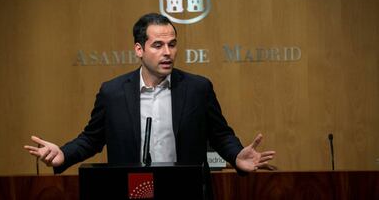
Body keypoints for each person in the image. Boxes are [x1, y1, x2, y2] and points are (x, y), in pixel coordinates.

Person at [24, 13, 275, 176]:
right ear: (139, 49)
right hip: (133, 191)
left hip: (186, 193)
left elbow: (220, 135)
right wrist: (64, 154)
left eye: (172, 44)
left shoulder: (198, 89)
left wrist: (236, 154)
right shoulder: (112, 93)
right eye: (158, 45)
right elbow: (91, 139)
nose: (168, 52)